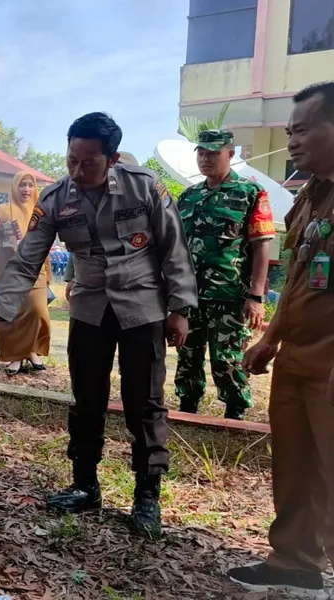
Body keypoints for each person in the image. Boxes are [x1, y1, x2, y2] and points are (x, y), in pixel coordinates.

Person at [0, 112, 197, 537]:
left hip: (143, 307)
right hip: (91, 308)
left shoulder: (144, 186)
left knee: (143, 403)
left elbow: (174, 249)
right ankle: (85, 485)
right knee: (86, 399)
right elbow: (25, 261)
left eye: (88, 162)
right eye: (71, 160)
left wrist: (180, 308)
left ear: (111, 159)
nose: (77, 171)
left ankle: (146, 496)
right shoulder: (56, 198)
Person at [228, 82, 334, 597]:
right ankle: (295, 560)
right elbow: (297, 279)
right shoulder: (312, 196)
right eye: (289, 131)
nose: (291, 141)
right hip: (298, 358)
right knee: (296, 465)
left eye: (303, 129)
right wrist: (270, 339)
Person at [174, 129, 275, 420]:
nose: (205, 159)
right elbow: (177, 249)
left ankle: (234, 414)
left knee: (227, 361)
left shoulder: (250, 193)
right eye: (201, 153)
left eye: (213, 153)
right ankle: (187, 410)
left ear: (230, 154)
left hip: (230, 296)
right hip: (189, 296)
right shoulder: (189, 196)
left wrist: (256, 295)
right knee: (187, 357)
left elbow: (261, 246)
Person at [0, 171, 52, 375]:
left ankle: (32, 351)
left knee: (37, 311)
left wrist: (48, 275)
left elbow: (47, 243)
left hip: (36, 269)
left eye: (30, 185)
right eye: (22, 185)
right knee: (10, 314)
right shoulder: (2, 210)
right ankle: (14, 356)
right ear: (14, 187)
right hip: (8, 269)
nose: (26, 189)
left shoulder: (41, 211)